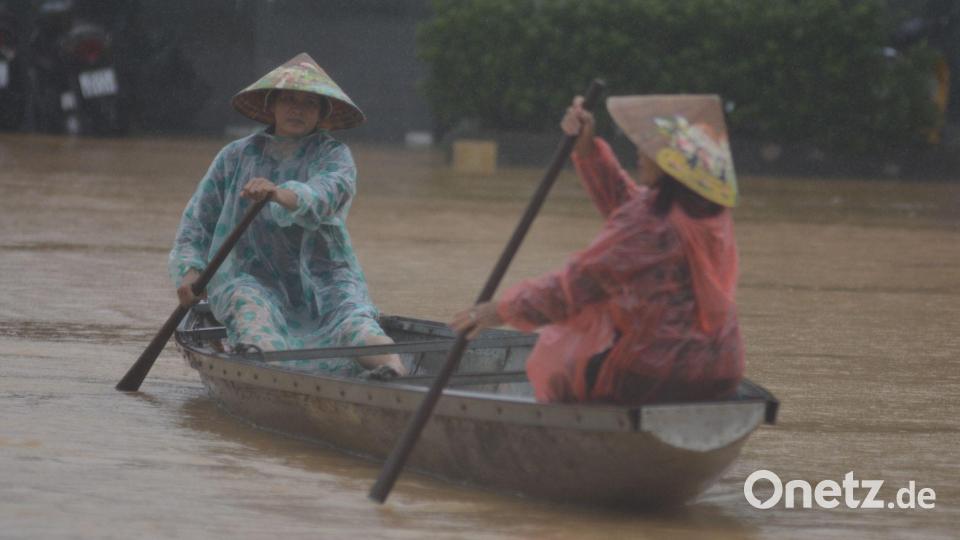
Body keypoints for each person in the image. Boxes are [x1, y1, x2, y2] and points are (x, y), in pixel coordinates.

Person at [450, 94, 743, 404]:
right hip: (723, 367)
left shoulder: (649, 223)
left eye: (652, 150)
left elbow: (572, 289)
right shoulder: (710, 213)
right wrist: (587, 149)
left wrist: (500, 310)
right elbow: (627, 205)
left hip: (655, 374)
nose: (641, 154)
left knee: (566, 371)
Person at [170, 53, 405, 377]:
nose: (297, 109)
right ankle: (272, 376)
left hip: (324, 279)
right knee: (253, 319)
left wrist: (279, 193)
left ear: (322, 113)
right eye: (289, 100)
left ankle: (393, 372)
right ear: (272, 105)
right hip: (249, 278)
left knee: (356, 328)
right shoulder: (235, 156)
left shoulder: (333, 154)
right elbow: (199, 221)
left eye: (309, 103)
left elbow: (327, 194)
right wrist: (190, 271)